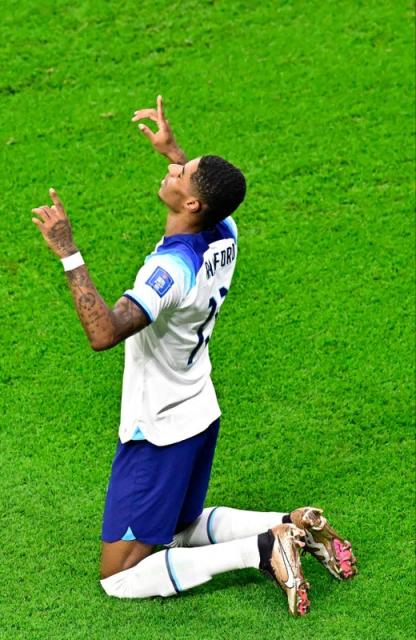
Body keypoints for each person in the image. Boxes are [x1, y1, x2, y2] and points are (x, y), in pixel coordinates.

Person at [30, 96, 357, 616]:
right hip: (200, 410)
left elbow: (104, 332)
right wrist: (172, 150)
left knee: (119, 576)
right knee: (180, 527)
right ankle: (292, 523)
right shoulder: (225, 231)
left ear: (192, 206)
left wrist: (68, 250)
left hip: (158, 430)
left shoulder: (168, 273)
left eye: (181, 172)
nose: (174, 170)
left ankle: (264, 547)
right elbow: (205, 200)